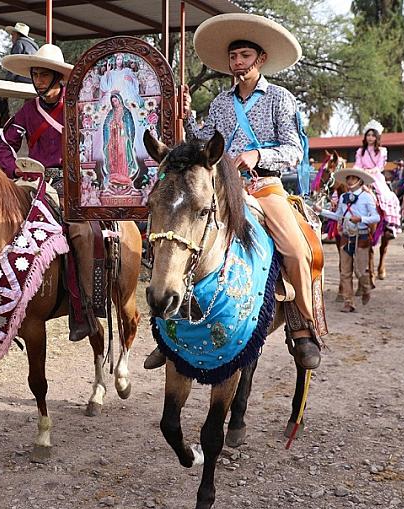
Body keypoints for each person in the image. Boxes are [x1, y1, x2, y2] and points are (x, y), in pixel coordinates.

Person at [144, 13, 326, 371]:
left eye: (244, 55)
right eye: (233, 57)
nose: (237, 62)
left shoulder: (280, 99)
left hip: (266, 187)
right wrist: (187, 118)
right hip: (224, 189)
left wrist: (259, 154)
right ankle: (170, 335)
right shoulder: (221, 103)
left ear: (260, 59)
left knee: (295, 247)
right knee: (182, 237)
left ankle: (301, 324)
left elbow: (294, 149)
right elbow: (204, 145)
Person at [0, 44, 100, 341]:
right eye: (35, 75)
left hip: (73, 185)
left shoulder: (79, 107)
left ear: (57, 77)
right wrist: (13, 169)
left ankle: (83, 310)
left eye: (44, 75)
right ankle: (5, 303)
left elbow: (95, 144)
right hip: (34, 183)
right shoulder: (28, 111)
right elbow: (4, 143)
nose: (39, 81)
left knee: (79, 232)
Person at [314, 169, 379, 312]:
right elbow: (338, 216)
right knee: (345, 272)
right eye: (348, 178)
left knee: (361, 271)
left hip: (361, 236)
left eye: (353, 178)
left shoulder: (367, 197)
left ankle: (366, 287)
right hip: (346, 236)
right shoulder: (343, 197)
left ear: (360, 181)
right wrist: (321, 211)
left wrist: (361, 219)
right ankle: (348, 302)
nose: (349, 181)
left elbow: (376, 217)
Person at [0, 23, 38, 128]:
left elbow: (13, 66)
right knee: (3, 96)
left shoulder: (19, 44)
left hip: (23, 79)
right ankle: (5, 122)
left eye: (12, 35)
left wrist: (7, 83)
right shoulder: (34, 47)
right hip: (33, 80)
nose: (11, 38)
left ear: (16, 35)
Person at [354, 120, 401, 241]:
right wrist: (357, 171)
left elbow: (380, 166)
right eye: (368, 135)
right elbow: (357, 164)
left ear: (377, 137)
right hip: (361, 175)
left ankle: (388, 224)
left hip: (376, 177)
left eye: (373, 135)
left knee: (385, 196)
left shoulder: (382, 150)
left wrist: (370, 171)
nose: (370, 138)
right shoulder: (360, 151)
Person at [102, 92, 138, 186]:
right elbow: (106, 125)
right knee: (113, 155)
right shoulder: (111, 113)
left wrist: (122, 125)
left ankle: (123, 175)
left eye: (116, 100)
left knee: (122, 154)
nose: (114, 103)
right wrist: (111, 125)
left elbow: (130, 126)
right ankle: (114, 174)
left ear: (120, 100)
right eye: (112, 101)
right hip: (113, 138)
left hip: (123, 138)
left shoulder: (126, 112)